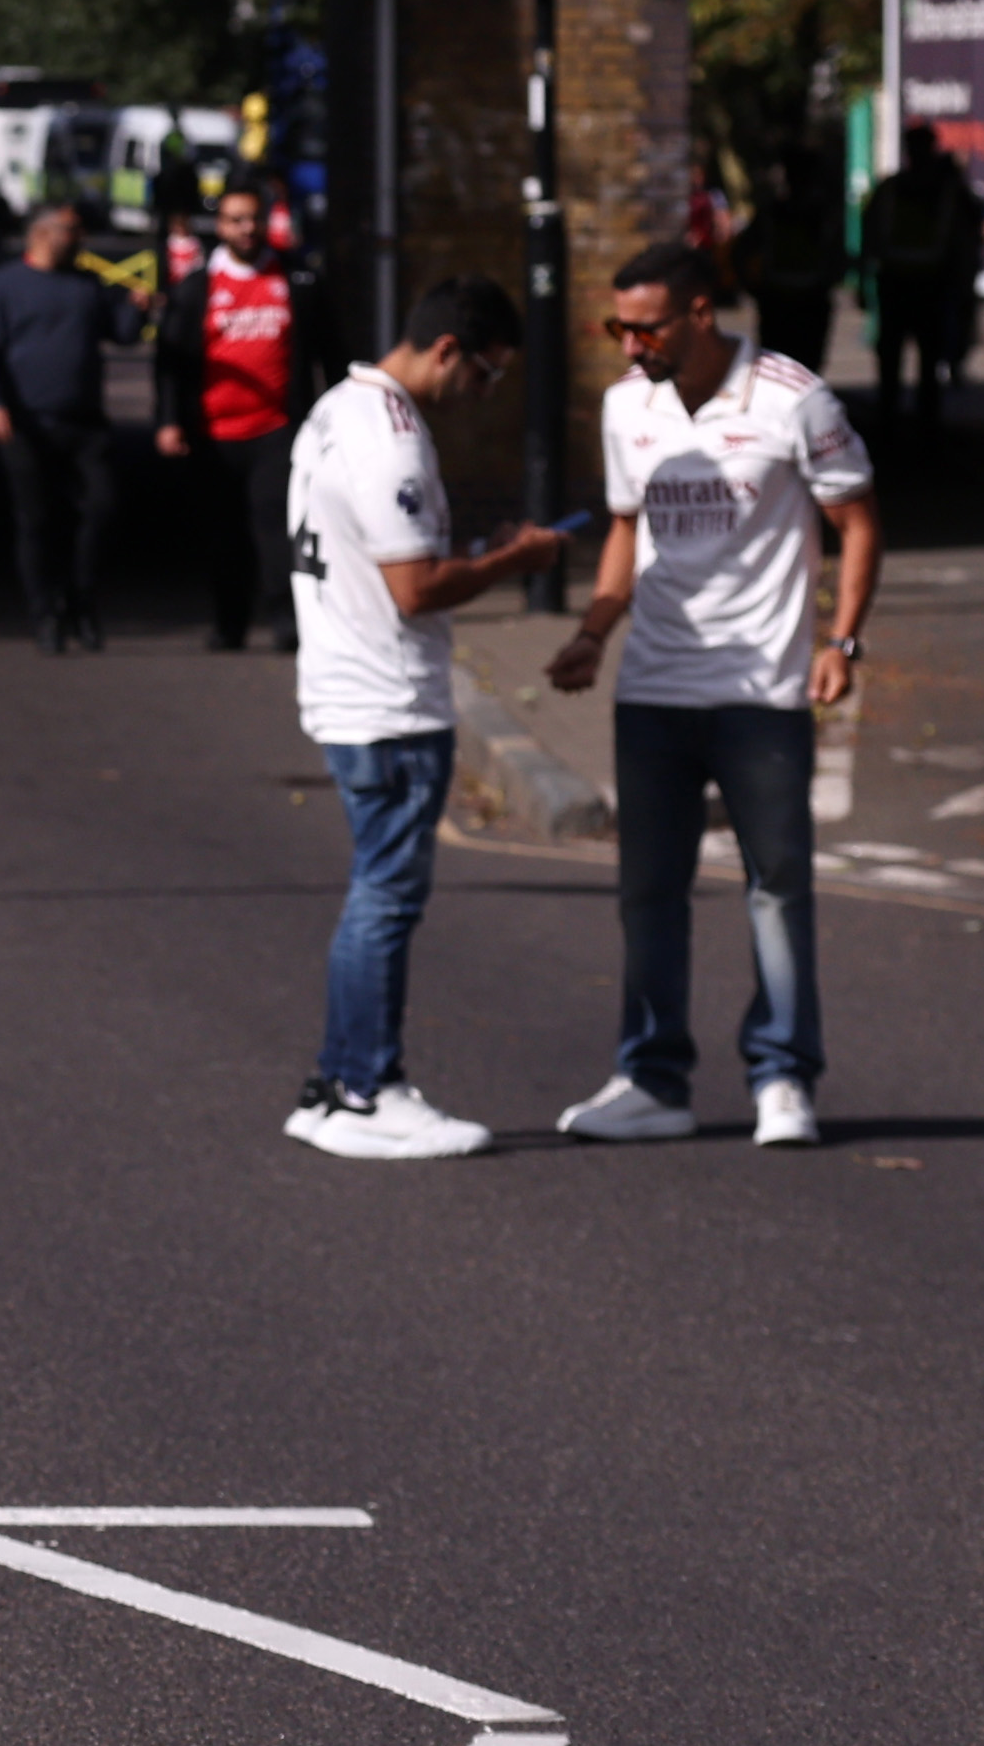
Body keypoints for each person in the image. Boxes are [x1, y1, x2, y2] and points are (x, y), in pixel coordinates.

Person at [545, 239, 877, 1150]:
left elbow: (856, 518)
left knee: (776, 886)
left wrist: (840, 641)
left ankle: (782, 1078)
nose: (627, 345)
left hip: (759, 689)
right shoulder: (625, 407)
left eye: (643, 327)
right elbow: (623, 528)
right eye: (617, 327)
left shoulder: (790, 396)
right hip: (652, 688)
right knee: (647, 890)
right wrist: (590, 632)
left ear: (697, 315)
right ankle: (652, 1081)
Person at [282, 278, 573, 1162]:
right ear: (447, 349)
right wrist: (514, 561)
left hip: (345, 682)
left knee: (376, 891)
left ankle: (337, 1084)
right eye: (485, 374)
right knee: (385, 897)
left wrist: (476, 557)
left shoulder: (336, 407)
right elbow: (414, 590)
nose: (484, 394)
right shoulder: (391, 441)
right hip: (388, 698)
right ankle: (363, 1088)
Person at [0, 199, 132, 652]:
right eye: (71, 229)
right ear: (41, 233)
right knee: (38, 522)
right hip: (27, 424)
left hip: (85, 422)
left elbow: (121, 332)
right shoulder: (5, 287)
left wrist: (137, 308)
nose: (79, 238)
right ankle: (47, 614)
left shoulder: (87, 284)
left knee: (102, 509)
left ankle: (83, 599)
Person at [157, 196, 311, 651]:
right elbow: (170, 360)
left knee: (275, 527)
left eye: (253, 219)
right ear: (220, 226)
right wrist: (168, 420)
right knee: (223, 534)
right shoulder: (196, 288)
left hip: (276, 428)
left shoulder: (296, 278)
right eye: (235, 220)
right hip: (215, 434)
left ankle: (286, 623)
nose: (246, 228)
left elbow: (327, 348)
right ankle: (230, 624)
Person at [858, 126, 984, 439]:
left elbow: (870, 237)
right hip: (920, 285)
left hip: (910, 284)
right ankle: (917, 421)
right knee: (916, 360)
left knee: (909, 360)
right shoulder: (941, 190)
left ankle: (903, 420)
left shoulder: (897, 188)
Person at [741, 165, 842, 376]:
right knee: (791, 367)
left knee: (793, 368)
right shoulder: (815, 214)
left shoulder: (816, 215)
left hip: (795, 300)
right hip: (790, 300)